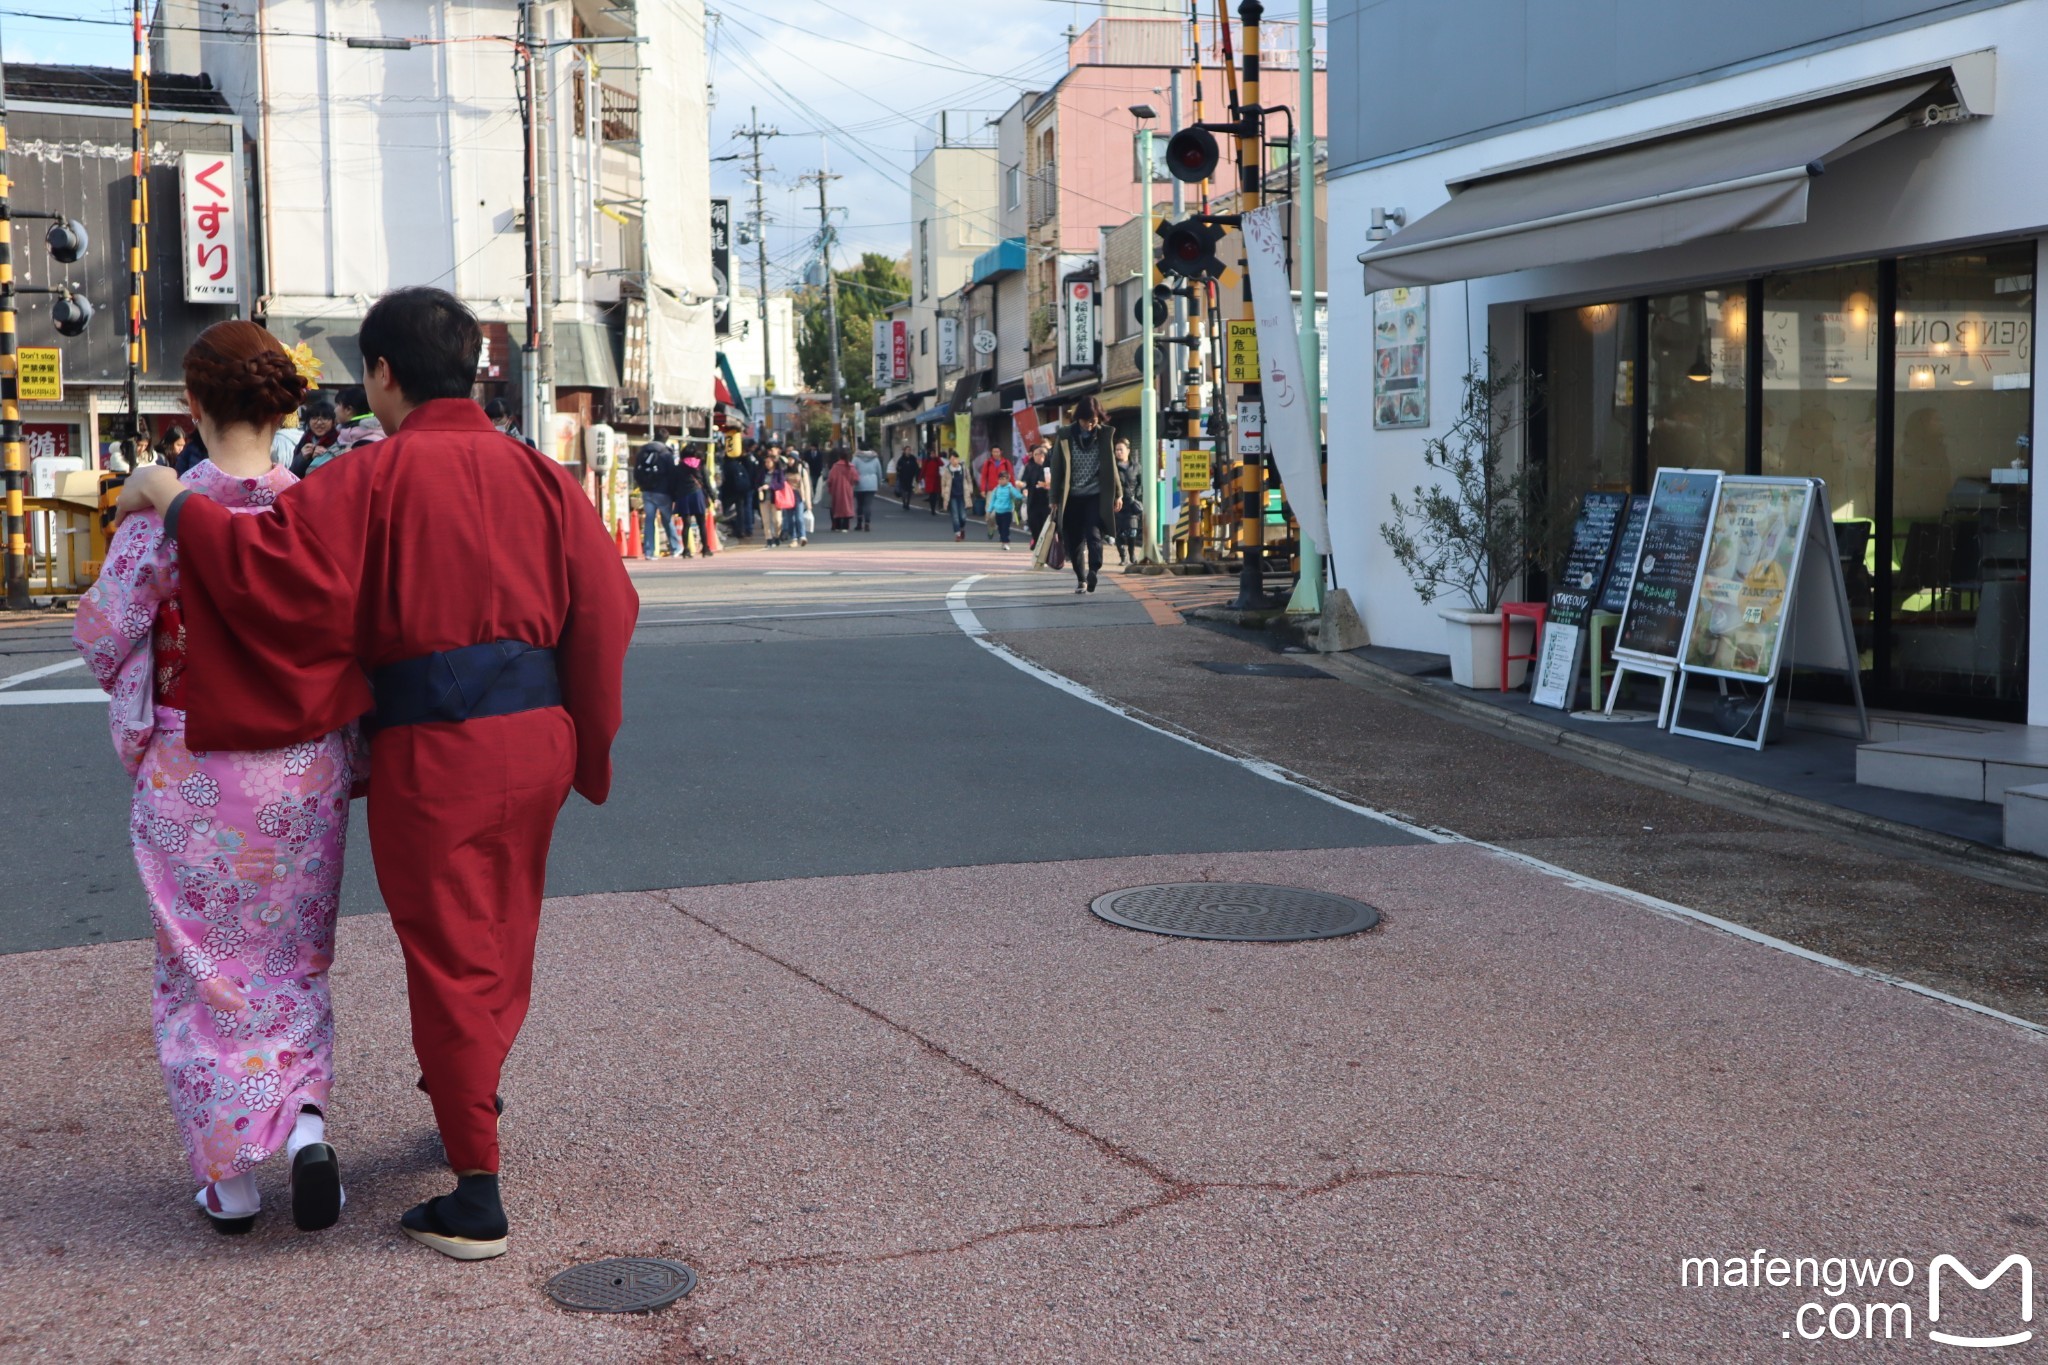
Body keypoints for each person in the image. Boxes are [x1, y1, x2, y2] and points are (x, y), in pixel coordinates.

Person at [115, 286, 637, 1262]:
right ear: (473, 371)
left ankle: (475, 1190)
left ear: (386, 375)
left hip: (435, 749)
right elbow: (607, 607)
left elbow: (263, 571)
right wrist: (588, 742)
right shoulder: (539, 473)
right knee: (499, 936)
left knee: (446, 954)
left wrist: (172, 496)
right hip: (536, 737)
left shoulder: (368, 478)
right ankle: (466, 1097)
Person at [74, 320, 358, 1239]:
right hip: (303, 769)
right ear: (285, 406)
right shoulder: (313, 509)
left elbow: (102, 637)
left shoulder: (166, 511)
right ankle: (305, 1122)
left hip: (197, 770)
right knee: (292, 955)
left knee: (205, 966)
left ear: (191, 407)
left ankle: (233, 1181)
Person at [1049, 397, 1118, 594]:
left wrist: (1118, 494)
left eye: (1094, 420)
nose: (1090, 425)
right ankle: (1081, 579)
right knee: (1075, 540)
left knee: (1094, 534)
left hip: (1094, 496)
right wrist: (1053, 499)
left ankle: (1094, 570)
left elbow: (1111, 466)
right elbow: (1057, 469)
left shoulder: (1104, 435)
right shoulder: (1065, 435)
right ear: (1078, 418)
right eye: (1087, 420)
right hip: (1071, 498)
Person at [633, 429, 683, 558]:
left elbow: (636, 471)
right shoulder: (666, 453)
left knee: (649, 520)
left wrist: (641, 486)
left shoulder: (643, 451)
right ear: (666, 440)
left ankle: (649, 552)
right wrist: (674, 493)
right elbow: (672, 474)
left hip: (646, 491)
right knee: (667, 519)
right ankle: (675, 547)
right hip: (662, 491)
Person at [672, 445, 711, 556]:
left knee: (686, 524)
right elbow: (706, 483)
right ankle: (705, 549)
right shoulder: (700, 465)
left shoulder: (679, 467)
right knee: (701, 524)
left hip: (683, 497)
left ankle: (686, 550)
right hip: (698, 496)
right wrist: (713, 497)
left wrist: (674, 498)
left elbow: (674, 484)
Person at [1113, 438, 1144, 566]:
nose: (1118, 452)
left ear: (1128, 451)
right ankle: (1123, 556)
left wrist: (1136, 498)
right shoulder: (1113, 467)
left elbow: (1141, 484)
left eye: (1121, 449)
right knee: (1118, 532)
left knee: (1132, 531)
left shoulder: (1136, 466)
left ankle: (1132, 554)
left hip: (1132, 504)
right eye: (1116, 450)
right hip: (1117, 504)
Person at [292, 399, 340, 477]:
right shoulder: (304, 441)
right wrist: (302, 458)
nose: (319, 423)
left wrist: (326, 457)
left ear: (333, 422)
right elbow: (292, 474)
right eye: (314, 418)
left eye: (324, 418)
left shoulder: (340, 441)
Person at [1019, 439, 1052, 550]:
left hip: (1047, 501)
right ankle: (1037, 542)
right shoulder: (1029, 467)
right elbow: (1024, 482)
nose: (1038, 456)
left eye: (1041, 454)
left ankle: (1045, 549)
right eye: (1036, 454)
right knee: (1034, 524)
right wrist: (1023, 487)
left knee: (1045, 526)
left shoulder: (1051, 467)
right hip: (1033, 501)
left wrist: (1048, 485)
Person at [978, 445, 1014, 539]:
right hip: (991, 491)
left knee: (1000, 513)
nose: (995, 454)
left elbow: (1011, 477)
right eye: (994, 452)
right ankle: (991, 527)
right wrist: (982, 489)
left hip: (1004, 491)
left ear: (1001, 452)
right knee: (989, 513)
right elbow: (983, 477)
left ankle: (1000, 529)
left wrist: (1012, 490)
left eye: (997, 451)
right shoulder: (988, 463)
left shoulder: (1006, 463)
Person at [985, 473, 1020, 550]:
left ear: (1007, 480)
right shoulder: (996, 489)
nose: (1001, 481)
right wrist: (989, 511)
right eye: (1000, 479)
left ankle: (1006, 542)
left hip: (1007, 512)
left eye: (1003, 479)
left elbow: (1017, 495)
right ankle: (1003, 539)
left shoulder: (1010, 488)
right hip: (998, 512)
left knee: (1005, 528)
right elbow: (992, 501)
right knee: (1000, 528)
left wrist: (1023, 496)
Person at [852, 446, 884, 531]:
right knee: (868, 505)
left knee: (859, 504)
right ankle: (867, 523)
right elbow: (879, 472)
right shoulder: (875, 458)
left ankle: (859, 523)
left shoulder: (856, 458)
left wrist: (852, 483)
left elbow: (852, 470)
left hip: (859, 483)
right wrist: (879, 483)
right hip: (872, 483)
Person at [827, 448, 857, 531]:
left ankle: (837, 525)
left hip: (836, 489)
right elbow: (855, 478)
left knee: (837, 506)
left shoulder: (835, 466)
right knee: (846, 506)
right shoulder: (851, 466)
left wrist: (829, 486)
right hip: (848, 489)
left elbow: (830, 479)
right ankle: (845, 526)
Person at [943, 450, 969, 540]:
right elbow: (943, 484)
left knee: (963, 516)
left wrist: (970, 490)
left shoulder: (963, 468)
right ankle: (957, 534)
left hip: (962, 495)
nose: (953, 460)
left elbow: (968, 480)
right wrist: (944, 494)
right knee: (955, 516)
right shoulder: (947, 470)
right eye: (951, 459)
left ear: (958, 459)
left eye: (954, 458)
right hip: (952, 496)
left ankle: (962, 529)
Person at [921, 450, 942, 516]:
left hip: (936, 480)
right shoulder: (927, 461)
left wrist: (937, 457)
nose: (933, 455)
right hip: (929, 480)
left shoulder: (937, 460)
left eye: (934, 454)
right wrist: (920, 477)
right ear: (929, 454)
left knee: (935, 495)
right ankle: (932, 509)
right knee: (931, 495)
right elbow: (923, 469)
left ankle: (933, 509)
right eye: (931, 454)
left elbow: (942, 464)